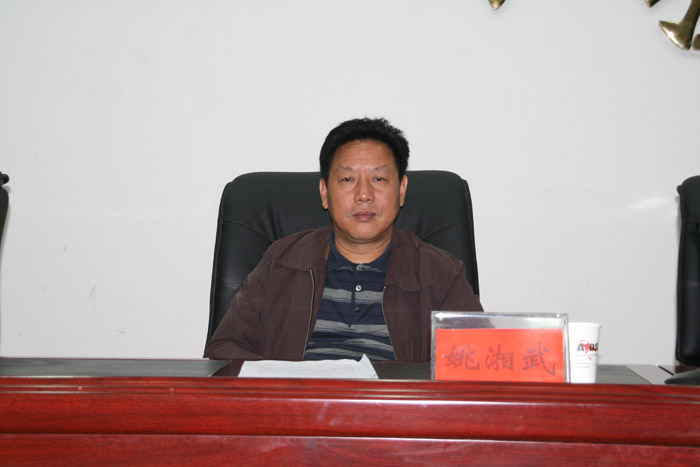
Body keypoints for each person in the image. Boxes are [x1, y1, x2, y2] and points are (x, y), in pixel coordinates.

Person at [204, 117, 482, 362]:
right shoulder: (281, 260)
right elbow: (224, 349)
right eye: (348, 179)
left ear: (401, 190)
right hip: (296, 404)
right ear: (324, 192)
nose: (364, 195)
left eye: (379, 179)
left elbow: (477, 359)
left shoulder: (440, 272)